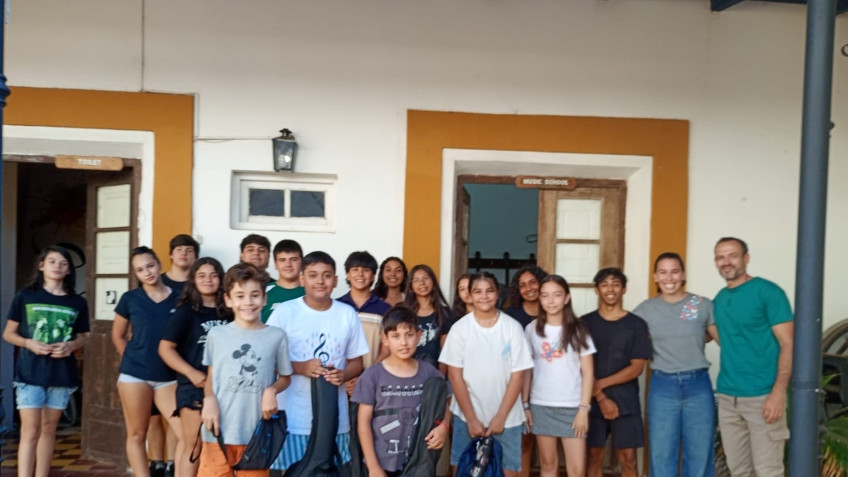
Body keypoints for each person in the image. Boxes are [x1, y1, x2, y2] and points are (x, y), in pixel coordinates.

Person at [266, 251, 369, 473]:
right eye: (313, 275)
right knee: (290, 472)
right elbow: (267, 360)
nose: (320, 281)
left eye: (326, 275)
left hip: (334, 419)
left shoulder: (347, 314)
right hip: (293, 418)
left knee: (329, 472)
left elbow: (357, 362)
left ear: (336, 280)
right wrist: (301, 367)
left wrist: (343, 374)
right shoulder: (284, 312)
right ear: (302, 279)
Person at [2, 246, 90, 477]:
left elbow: (83, 336)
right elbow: (8, 333)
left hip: (61, 375)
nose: (57, 266)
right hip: (30, 374)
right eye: (52, 261)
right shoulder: (25, 296)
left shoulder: (77, 302)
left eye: (63, 263)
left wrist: (71, 346)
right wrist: (28, 343)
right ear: (41, 266)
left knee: (49, 429)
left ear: (69, 269)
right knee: (30, 430)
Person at [199, 263, 293, 477]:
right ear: (228, 299)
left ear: (264, 298)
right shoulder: (216, 335)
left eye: (255, 295)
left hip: (257, 435)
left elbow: (286, 377)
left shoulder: (276, 336)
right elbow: (211, 378)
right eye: (240, 296)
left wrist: (271, 390)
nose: (248, 302)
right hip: (218, 431)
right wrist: (209, 399)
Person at [712, 237, 793, 477]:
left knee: (768, 471)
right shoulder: (719, 299)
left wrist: (778, 393)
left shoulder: (768, 292)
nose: (726, 262)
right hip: (728, 397)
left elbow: (788, 343)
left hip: (763, 397)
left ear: (746, 258)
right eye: (720, 257)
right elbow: (718, 336)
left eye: (732, 255)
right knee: (739, 471)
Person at [439, 271, 533, 477]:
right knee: (463, 470)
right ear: (470, 295)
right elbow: (455, 376)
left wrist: (500, 417)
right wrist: (471, 418)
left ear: (497, 293)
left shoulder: (512, 328)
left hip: (508, 418)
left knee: (508, 471)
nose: (484, 296)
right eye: (477, 291)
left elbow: (518, 376)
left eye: (489, 291)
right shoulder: (460, 329)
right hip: (466, 416)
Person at [633, 252, 718, 477]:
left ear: (683, 275)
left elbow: (724, 339)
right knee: (662, 454)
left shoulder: (701, 304)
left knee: (700, 454)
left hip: (698, 385)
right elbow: (626, 337)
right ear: (655, 276)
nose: (669, 278)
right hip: (663, 385)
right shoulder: (646, 309)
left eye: (674, 272)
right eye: (663, 272)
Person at [351, 306, 451, 477]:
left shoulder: (429, 372)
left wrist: (444, 426)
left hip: (419, 463)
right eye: (396, 336)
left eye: (409, 335)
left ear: (419, 336)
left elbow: (446, 401)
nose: (403, 342)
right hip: (382, 464)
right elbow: (363, 422)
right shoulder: (372, 375)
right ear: (385, 339)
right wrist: (373, 466)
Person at [112, 246, 184, 477]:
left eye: (150, 266)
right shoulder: (130, 299)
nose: (147, 272)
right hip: (135, 375)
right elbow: (118, 335)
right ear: (136, 273)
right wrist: (131, 359)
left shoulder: (180, 297)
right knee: (137, 434)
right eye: (140, 270)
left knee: (186, 433)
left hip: (168, 377)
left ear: (159, 264)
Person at [159, 257, 233, 477]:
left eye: (213, 275)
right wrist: (191, 373)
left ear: (221, 279)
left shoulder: (230, 311)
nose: (208, 280)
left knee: (220, 445)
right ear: (193, 280)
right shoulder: (185, 312)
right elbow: (165, 349)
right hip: (194, 387)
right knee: (193, 444)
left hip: (226, 386)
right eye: (202, 275)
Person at [522, 275, 595, 477]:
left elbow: (588, 372)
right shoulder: (532, 329)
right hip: (541, 405)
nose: (551, 301)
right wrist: (525, 404)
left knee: (577, 470)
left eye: (557, 295)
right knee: (547, 465)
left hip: (572, 407)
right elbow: (527, 370)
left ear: (566, 298)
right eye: (545, 295)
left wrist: (583, 409)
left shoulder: (579, 329)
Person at [582, 267, 651, 477]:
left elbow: (637, 368)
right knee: (593, 456)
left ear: (624, 289)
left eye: (615, 284)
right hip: (591, 402)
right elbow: (579, 367)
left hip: (626, 401)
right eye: (604, 284)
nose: (610, 289)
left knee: (628, 458)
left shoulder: (637, 325)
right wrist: (601, 397)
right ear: (596, 290)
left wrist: (600, 385)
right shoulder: (584, 323)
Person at [154, 233, 199, 477]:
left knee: (180, 421)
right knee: (154, 418)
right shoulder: (157, 282)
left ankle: (173, 463)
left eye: (189, 250)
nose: (184, 254)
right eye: (179, 249)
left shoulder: (198, 283)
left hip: (186, 363)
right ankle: (157, 463)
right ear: (171, 254)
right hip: (157, 360)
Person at [337, 251, 391, 372]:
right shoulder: (336, 306)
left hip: (372, 377)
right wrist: (347, 375)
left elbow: (386, 351)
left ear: (373, 276)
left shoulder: (385, 309)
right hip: (339, 376)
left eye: (366, 270)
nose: (360, 274)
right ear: (348, 275)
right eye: (355, 269)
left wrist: (367, 376)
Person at [402, 265, 452, 369]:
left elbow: (445, 352)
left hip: (433, 372)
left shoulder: (444, 313)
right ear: (411, 286)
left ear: (433, 281)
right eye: (416, 280)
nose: (422, 283)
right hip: (406, 371)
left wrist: (440, 376)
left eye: (426, 278)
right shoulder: (403, 312)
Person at [261, 239, 305, 323]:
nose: (288, 264)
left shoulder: (312, 291)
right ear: (276, 264)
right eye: (282, 260)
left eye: (294, 259)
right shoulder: (262, 292)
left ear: (302, 263)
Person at [502, 265, 548, 329]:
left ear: (542, 282)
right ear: (518, 290)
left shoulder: (552, 309)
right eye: (522, 285)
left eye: (533, 282)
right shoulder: (510, 315)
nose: (528, 288)